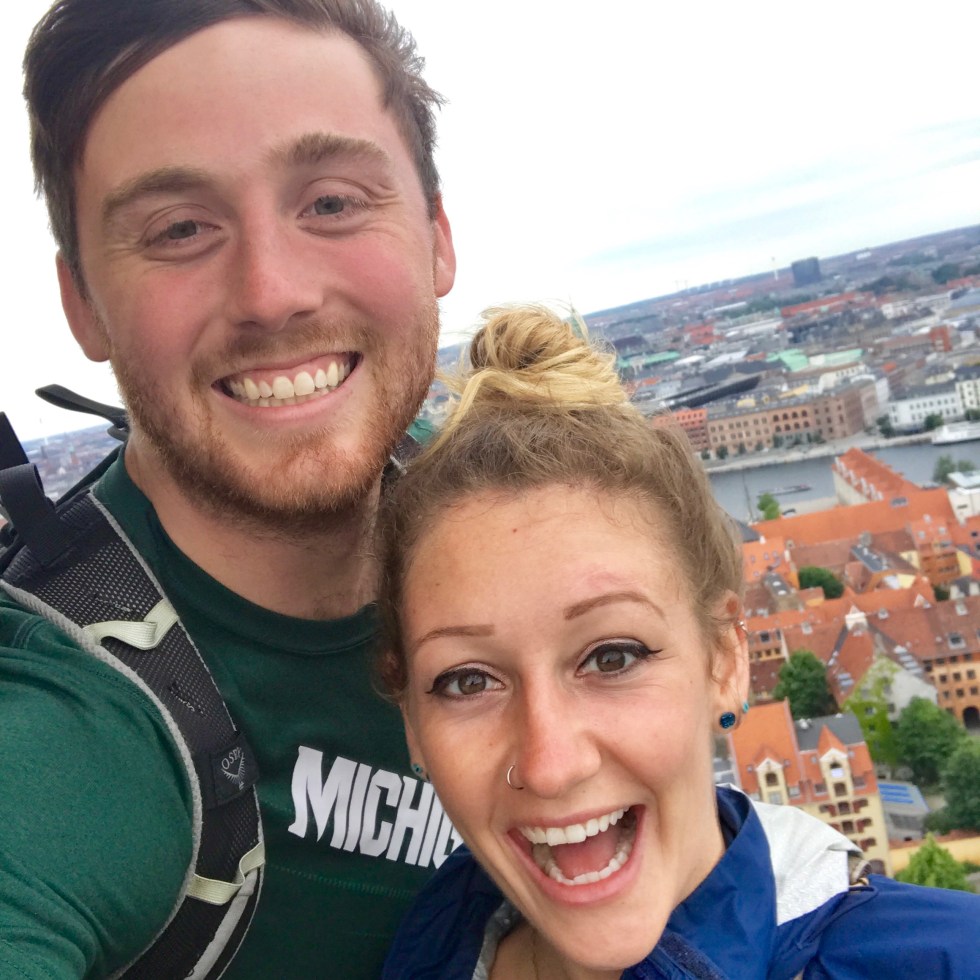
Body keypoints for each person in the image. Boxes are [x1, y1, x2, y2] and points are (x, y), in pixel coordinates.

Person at [1, 1, 456, 977]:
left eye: (330, 202)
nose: (272, 292)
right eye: (179, 228)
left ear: (437, 235)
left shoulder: (510, 534)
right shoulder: (71, 727)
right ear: (83, 304)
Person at [375, 305, 980, 979]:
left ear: (725, 659)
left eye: (612, 657)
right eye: (467, 681)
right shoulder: (427, 945)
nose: (550, 765)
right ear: (412, 724)